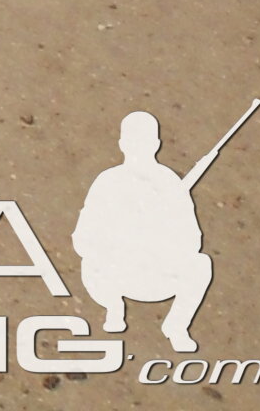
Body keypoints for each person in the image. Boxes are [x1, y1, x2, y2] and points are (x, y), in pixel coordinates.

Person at [74, 111, 217, 354]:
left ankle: (176, 326)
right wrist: (117, 241)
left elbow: (193, 240)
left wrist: (160, 235)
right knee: (90, 264)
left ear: (156, 145)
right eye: (133, 141)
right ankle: (114, 308)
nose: (138, 147)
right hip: (115, 275)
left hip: (159, 275)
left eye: (143, 141)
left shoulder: (170, 184)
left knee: (201, 265)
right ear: (122, 144)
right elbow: (82, 238)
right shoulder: (108, 181)